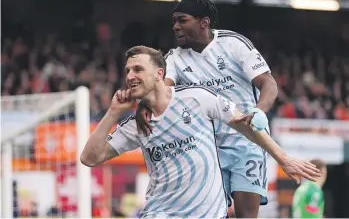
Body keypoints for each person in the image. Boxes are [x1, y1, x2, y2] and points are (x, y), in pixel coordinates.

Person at [80, 46, 321, 218]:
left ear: (159, 74)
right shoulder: (136, 124)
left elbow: (245, 126)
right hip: (160, 213)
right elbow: (89, 158)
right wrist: (112, 113)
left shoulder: (197, 98)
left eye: (137, 69)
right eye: (127, 70)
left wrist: (284, 158)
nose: (130, 76)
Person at [136, 0, 279, 217]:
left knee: (246, 215)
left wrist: (259, 110)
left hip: (248, 141)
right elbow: (161, 90)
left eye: (182, 20)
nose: (175, 26)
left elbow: (268, 83)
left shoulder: (233, 43)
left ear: (204, 22)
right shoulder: (174, 58)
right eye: (174, 21)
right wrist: (144, 105)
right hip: (209, 149)